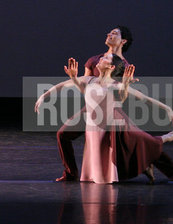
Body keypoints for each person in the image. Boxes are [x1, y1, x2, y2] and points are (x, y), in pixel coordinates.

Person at [36, 56, 173, 183]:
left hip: (107, 126)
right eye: (102, 57)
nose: (100, 59)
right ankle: (146, 165)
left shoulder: (115, 85)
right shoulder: (89, 80)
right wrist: (44, 95)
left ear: (111, 67)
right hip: (92, 127)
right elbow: (64, 85)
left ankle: (163, 139)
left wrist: (167, 108)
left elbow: (142, 98)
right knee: (109, 160)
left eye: (105, 59)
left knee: (138, 140)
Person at [51, 26, 133, 181]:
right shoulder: (94, 60)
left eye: (114, 33)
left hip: (111, 113)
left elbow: (122, 97)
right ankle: (71, 173)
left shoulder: (125, 66)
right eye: (109, 32)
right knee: (63, 134)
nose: (109, 34)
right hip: (91, 110)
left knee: (140, 142)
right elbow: (85, 90)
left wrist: (126, 85)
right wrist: (75, 79)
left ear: (123, 41)